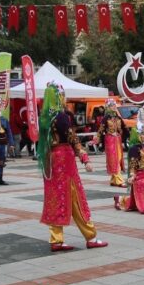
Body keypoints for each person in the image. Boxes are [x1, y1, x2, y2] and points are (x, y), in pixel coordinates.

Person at [37, 83, 108, 252]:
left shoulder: (45, 117)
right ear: (59, 97)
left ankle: (56, 239)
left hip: (51, 161)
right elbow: (72, 138)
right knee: (75, 195)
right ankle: (91, 236)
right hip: (64, 159)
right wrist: (85, 158)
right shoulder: (61, 117)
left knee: (55, 198)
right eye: (63, 95)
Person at [98, 100, 127, 186]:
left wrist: (127, 135)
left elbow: (124, 127)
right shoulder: (105, 118)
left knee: (118, 158)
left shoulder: (117, 117)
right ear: (108, 107)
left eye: (114, 105)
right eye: (112, 105)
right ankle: (119, 180)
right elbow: (101, 129)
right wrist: (97, 139)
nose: (114, 107)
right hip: (110, 139)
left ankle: (113, 180)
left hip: (117, 139)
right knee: (113, 158)